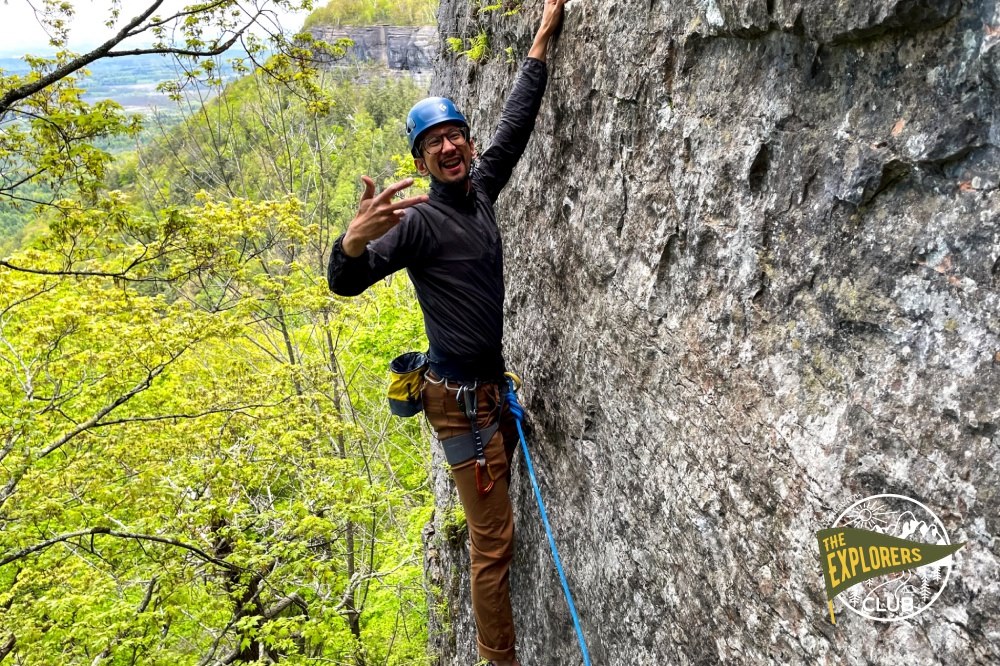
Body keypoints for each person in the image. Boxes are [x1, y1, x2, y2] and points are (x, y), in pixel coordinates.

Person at [327, 2, 567, 663]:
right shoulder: (419, 225)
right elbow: (345, 284)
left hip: (484, 390)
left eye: (456, 134)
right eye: (435, 142)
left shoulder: (482, 189)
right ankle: (498, 657)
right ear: (423, 159)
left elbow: (515, 125)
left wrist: (541, 42)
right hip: (459, 406)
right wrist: (348, 246)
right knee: (492, 545)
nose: (450, 146)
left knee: (495, 517)